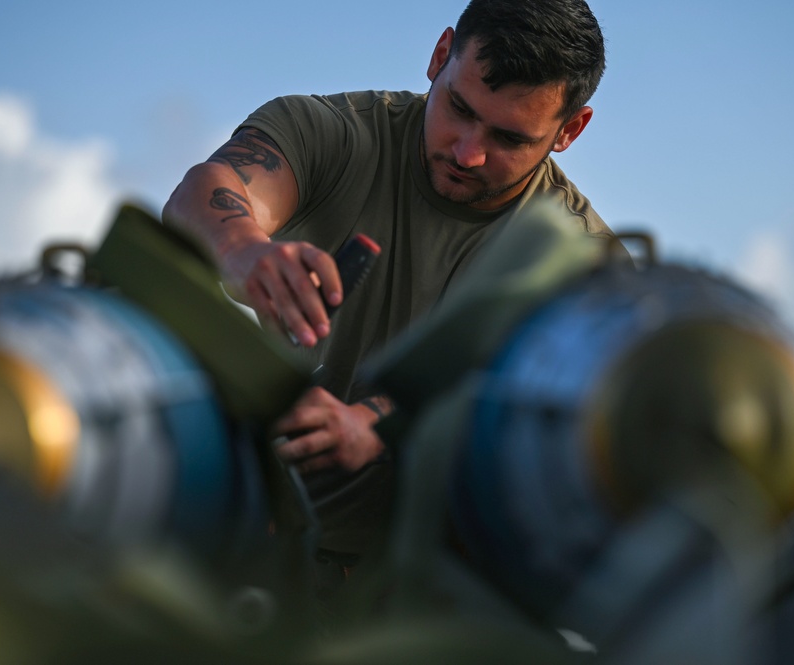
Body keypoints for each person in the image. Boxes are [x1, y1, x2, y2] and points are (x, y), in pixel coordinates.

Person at [162, 0, 615, 558]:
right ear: (440, 55)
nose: (468, 153)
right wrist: (246, 250)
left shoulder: (588, 270)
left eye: (509, 139)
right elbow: (203, 192)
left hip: (435, 590)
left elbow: (557, 436)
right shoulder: (334, 134)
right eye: (459, 108)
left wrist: (375, 425)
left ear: (570, 129)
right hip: (256, 537)